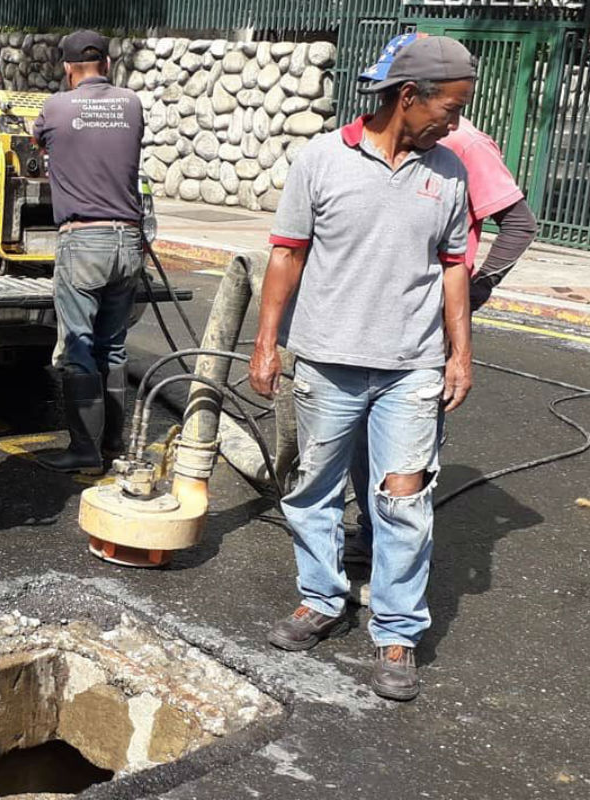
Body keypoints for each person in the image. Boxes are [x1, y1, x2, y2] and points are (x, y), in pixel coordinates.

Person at [248, 34, 478, 702]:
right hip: (326, 360)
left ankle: (398, 630)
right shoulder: (321, 159)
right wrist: (267, 342)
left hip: (411, 368)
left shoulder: (450, 172)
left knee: (403, 500)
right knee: (314, 488)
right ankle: (321, 598)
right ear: (407, 96)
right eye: (450, 107)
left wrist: (460, 353)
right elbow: (286, 253)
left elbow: (453, 267)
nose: (455, 122)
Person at [346, 43, 539, 573]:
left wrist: (476, 290)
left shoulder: (465, 146)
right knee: (362, 439)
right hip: (375, 321)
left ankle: (393, 554)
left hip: (428, 325)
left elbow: (519, 226)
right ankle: (368, 528)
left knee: (406, 453)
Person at [31, 29, 145, 475]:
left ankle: (84, 450)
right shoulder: (132, 103)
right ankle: (113, 444)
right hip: (128, 241)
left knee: (78, 346)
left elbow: (40, 144)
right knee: (113, 348)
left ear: (66, 68)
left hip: (84, 240)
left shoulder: (56, 107)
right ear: (109, 64)